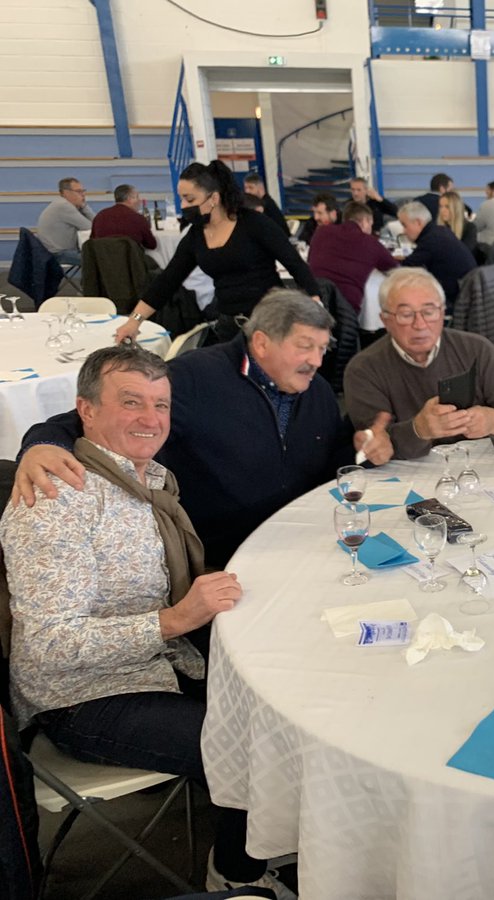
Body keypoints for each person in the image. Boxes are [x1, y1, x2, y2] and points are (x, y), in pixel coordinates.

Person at [0, 345, 296, 896]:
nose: (150, 419)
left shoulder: (148, 481)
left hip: (162, 664)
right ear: (85, 411)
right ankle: (235, 875)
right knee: (260, 747)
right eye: (130, 402)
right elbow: (46, 646)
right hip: (83, 698)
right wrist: (174, 620)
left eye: (160, 405)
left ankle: (272, 836)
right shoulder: (56, 498)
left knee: (289, 701)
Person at [12, 290, 392, 568]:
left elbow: (329, 464)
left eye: (323, 349)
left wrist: (362, 451)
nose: (316, 361)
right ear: (260, 343)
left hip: (305, 541)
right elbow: (87, 418)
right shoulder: (195, 377)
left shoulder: (319, 393)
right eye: (305, 346)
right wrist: (41, 445)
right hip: (223, 556)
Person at [113, 160, 321, 345]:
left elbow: (294, 263)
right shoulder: (196, 236)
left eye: (190, 199)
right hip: (230, 325)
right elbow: (167, 281)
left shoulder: (254, 223)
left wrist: (316, 303)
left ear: (213, 198)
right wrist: (134, 322)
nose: (184, 206)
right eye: (182, 199)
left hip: (271, 322)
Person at [342, 267, 494, 459]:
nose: (420, 325)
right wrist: (418, 430)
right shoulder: (364, 369)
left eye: (429, 312)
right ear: (385, 320)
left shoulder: (476, 350)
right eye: (406, 315)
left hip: (479, 470)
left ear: (443, 313)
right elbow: (377, 449)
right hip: (409, 479)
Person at [308, 200, 399, 312]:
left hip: (313, 304)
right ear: (365, 221)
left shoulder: (321, 232)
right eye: (371, 224)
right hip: (346, 310)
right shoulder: (370, 242)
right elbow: (395, 270)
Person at [397, 201, 477, 311]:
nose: (403, 231)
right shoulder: (440, 231)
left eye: (404, 225)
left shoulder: (430, 240)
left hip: (455, 299)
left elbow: (404, 269)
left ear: (418, 222)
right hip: (468, 292)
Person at [36, 176, 94, 266]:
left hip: (55, 251)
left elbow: (95, 224)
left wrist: (82, 205)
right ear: (66, 193)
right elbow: (91, 226)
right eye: (79, 191)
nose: (83, 194)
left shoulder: (62, 204)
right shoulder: (64, 206)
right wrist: (84, 206)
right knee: (100, 259)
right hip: (58, 254)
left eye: (83, 191)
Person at [89, 183, 156, 250]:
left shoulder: (100, 216)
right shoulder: (138, 219)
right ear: (129, 199)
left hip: (103, 259)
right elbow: (151, 245)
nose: (139, 201)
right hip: (132, 259)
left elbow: (92, 242)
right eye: (137, 197)